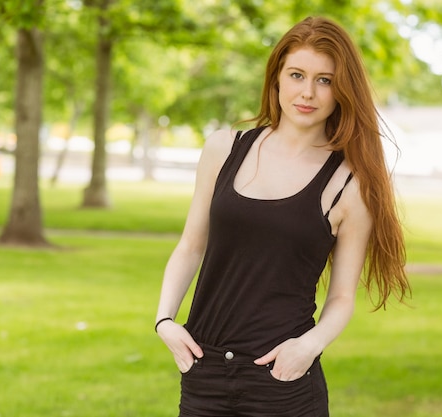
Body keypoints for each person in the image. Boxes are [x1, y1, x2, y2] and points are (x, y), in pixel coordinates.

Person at [155, 15, 411, 417]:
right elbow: (190, 246)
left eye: (324, 80)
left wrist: (307, 348)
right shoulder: (224, 149)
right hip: (203, 373)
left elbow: (342, 296)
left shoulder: (350, 184)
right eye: (296, 75)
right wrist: (164, 321)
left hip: (283, 380)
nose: (307, 92)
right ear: (277, 78)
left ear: (342, 90)